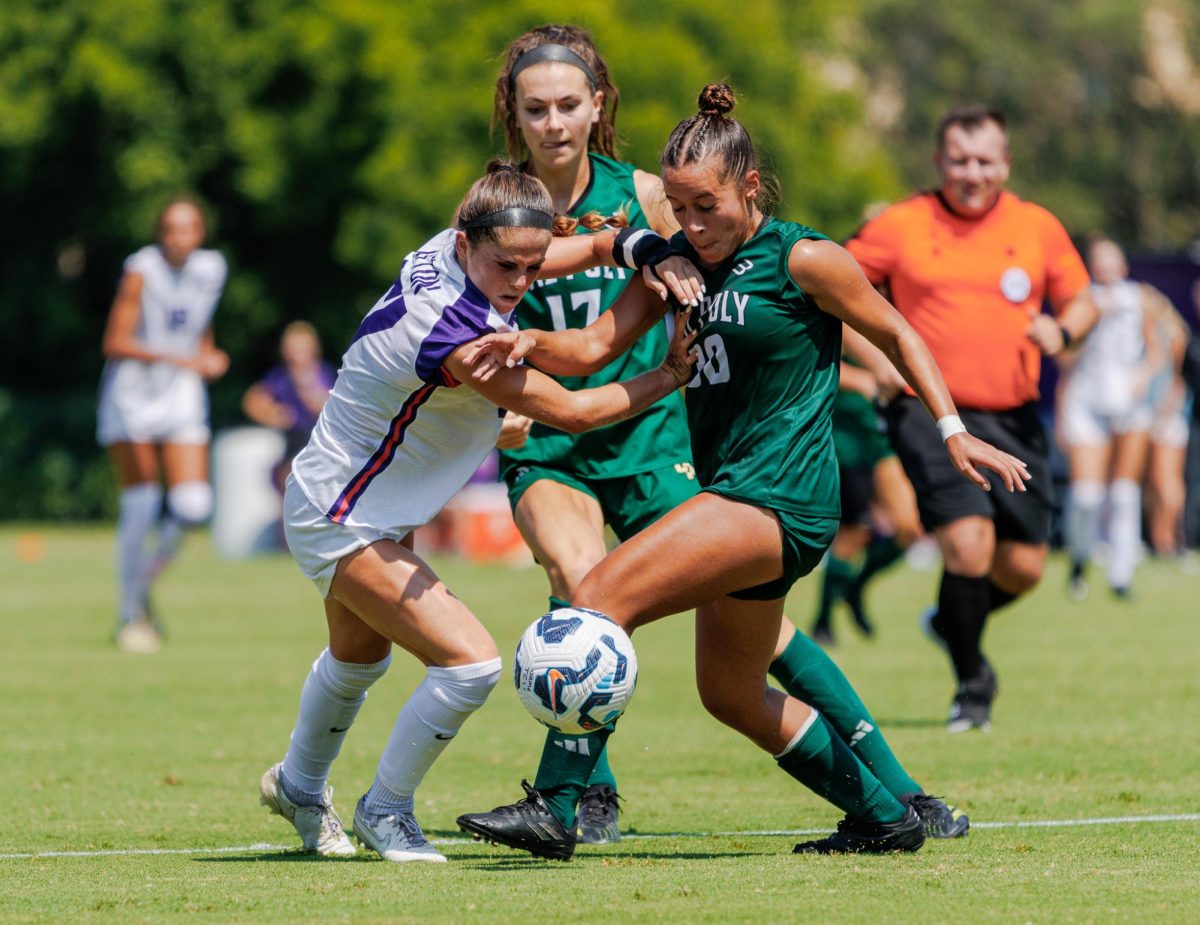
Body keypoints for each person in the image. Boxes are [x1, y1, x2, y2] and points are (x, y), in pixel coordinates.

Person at [456, 86, 1029, 859]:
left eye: (706, 207)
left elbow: (895, 330)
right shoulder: (679, 264)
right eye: (680, 210)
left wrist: (953, 429)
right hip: (737, 497)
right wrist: (525, 344)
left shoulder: (803, 257)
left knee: (594, 597)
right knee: (729, 694)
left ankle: (558, 805)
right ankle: (884, 814)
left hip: (779, 498)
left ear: (749, 188)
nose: (691, 226)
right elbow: (592, 347)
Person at [257, 163, 699, 863]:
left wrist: (644, 248)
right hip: (340, 510)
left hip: (349, 493)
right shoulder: (460, 331)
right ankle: (386, 808)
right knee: (470, 664)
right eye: (508, 267)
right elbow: (581, 396)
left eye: (531, 264)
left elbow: (581, 248)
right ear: (467, 247)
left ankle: (300, 787)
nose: (522, 282)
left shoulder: (462, 244)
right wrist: (670, 367)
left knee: (357, 658)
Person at [488, 24, 699, 844]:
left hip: (649, 431)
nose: (552, 122)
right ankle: (586, 793)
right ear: (515, 111)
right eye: (535, 107)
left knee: (745, 611)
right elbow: (479, 321)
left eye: (568, 104)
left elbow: (701, 281)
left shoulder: (645, 194)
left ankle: (886, 788)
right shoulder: (494, 205)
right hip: (550, 440)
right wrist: (499, 399)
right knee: (581, 581)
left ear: (596, 105)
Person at [843, 105, 1098, 733]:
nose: (972, 172)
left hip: (1014, 420)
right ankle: (973, 685)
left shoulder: (1036, 226)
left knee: (1025, 568)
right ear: (939, 163)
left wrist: (1061, 329)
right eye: (959, 160)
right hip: (931, 414)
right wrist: (876, 365)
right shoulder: (901, 225)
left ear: (1005, 164)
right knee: (967, 541)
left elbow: (1083, 300)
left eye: (985, 161)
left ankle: (951, 622)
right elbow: (832, 290)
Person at [97, 197, 230, 653]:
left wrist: (207, 355)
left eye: (189, 228)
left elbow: (197, 326)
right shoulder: (143, 268)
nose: (180, 238)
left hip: (180, 392)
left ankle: (142, 584)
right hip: (132, 394)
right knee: (142, 505)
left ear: (201, 232)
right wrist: (181, 357)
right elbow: (115, 341)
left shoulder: (212, 268)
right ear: (161, 233)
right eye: (172, 229)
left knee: (194, 504)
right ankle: (129, 613)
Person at [1056, 237, 1172, 598]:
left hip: (1128, 402)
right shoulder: (1081, 299)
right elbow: (1064, 357)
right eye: (1099, 260)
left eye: (1112, 259)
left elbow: (1158, 352)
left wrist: (1143, 376)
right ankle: (1079, 558)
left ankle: (1121, 575)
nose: (1106, 267)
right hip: (1087, 400)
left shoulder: (1142, 299)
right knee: (1087, 494)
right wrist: (1088, 323)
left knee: (1123, 492)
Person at [808, 328, 922, 644]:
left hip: (883, 435)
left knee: (909, 527)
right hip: (844, 434)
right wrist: (860, 378)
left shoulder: (898, 298)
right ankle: (823, 620)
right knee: (852, 531)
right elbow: (809, 358)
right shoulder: (839, 295)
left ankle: (857, 587)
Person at [242, 320, 337, 494]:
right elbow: (253, 400)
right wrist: (273, 414)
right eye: (292, 348)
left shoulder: (323, 373)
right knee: (285, 479)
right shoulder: (282, 377)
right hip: (294, 443)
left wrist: (307, 389)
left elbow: (328, 405)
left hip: (322, 444)